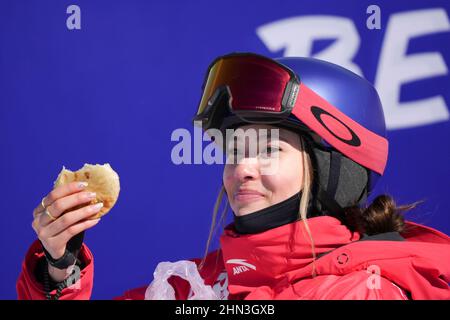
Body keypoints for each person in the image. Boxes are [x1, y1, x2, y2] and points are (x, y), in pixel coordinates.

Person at [17, 53, 450, 300]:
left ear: (334, 166)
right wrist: (59, 268)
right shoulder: (191, 286)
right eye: (236, 150)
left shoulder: (366, 291)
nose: (241, 169)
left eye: (267, 150)